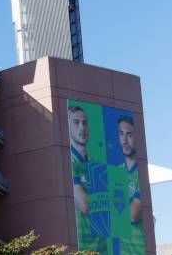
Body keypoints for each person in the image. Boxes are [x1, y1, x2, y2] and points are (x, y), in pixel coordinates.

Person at [69, 105, 107, 253]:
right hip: (81, 246)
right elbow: (84, 204)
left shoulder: (97, 163)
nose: (82, 128)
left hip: (103, 247)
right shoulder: (68, 161)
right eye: (76, 122)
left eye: (85, 123)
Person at [114, 115, 145, 254]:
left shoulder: (141, 172)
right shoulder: (116, 172)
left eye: (129, 135)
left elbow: (133, 214)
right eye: (121, 134)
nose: (124, 141)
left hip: (139, 249)